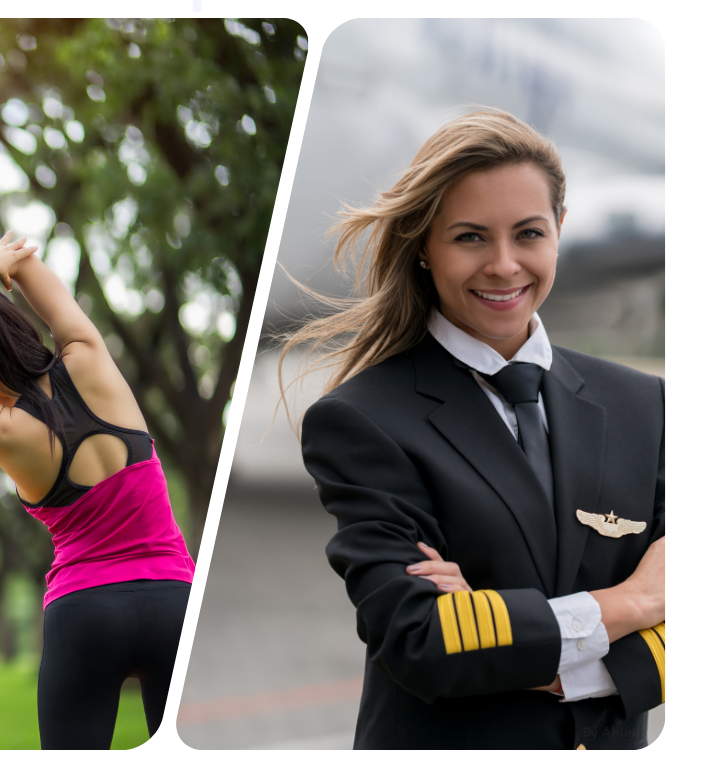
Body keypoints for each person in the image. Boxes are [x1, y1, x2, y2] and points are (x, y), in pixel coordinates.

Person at [282, 108, 665, 750]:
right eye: (469, 237)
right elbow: (422, 641)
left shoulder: (644, 406)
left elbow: (465, 644)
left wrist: (521, 648)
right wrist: (636, 602)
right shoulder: (362, 421)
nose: (504, 265)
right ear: (425, 247)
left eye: (529, 233)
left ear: (560, 233)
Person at [0, 231, 196, 749]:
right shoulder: (89, 357)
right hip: (176, 598)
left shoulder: (7, 433)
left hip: (85, 611)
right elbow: (22, 257)